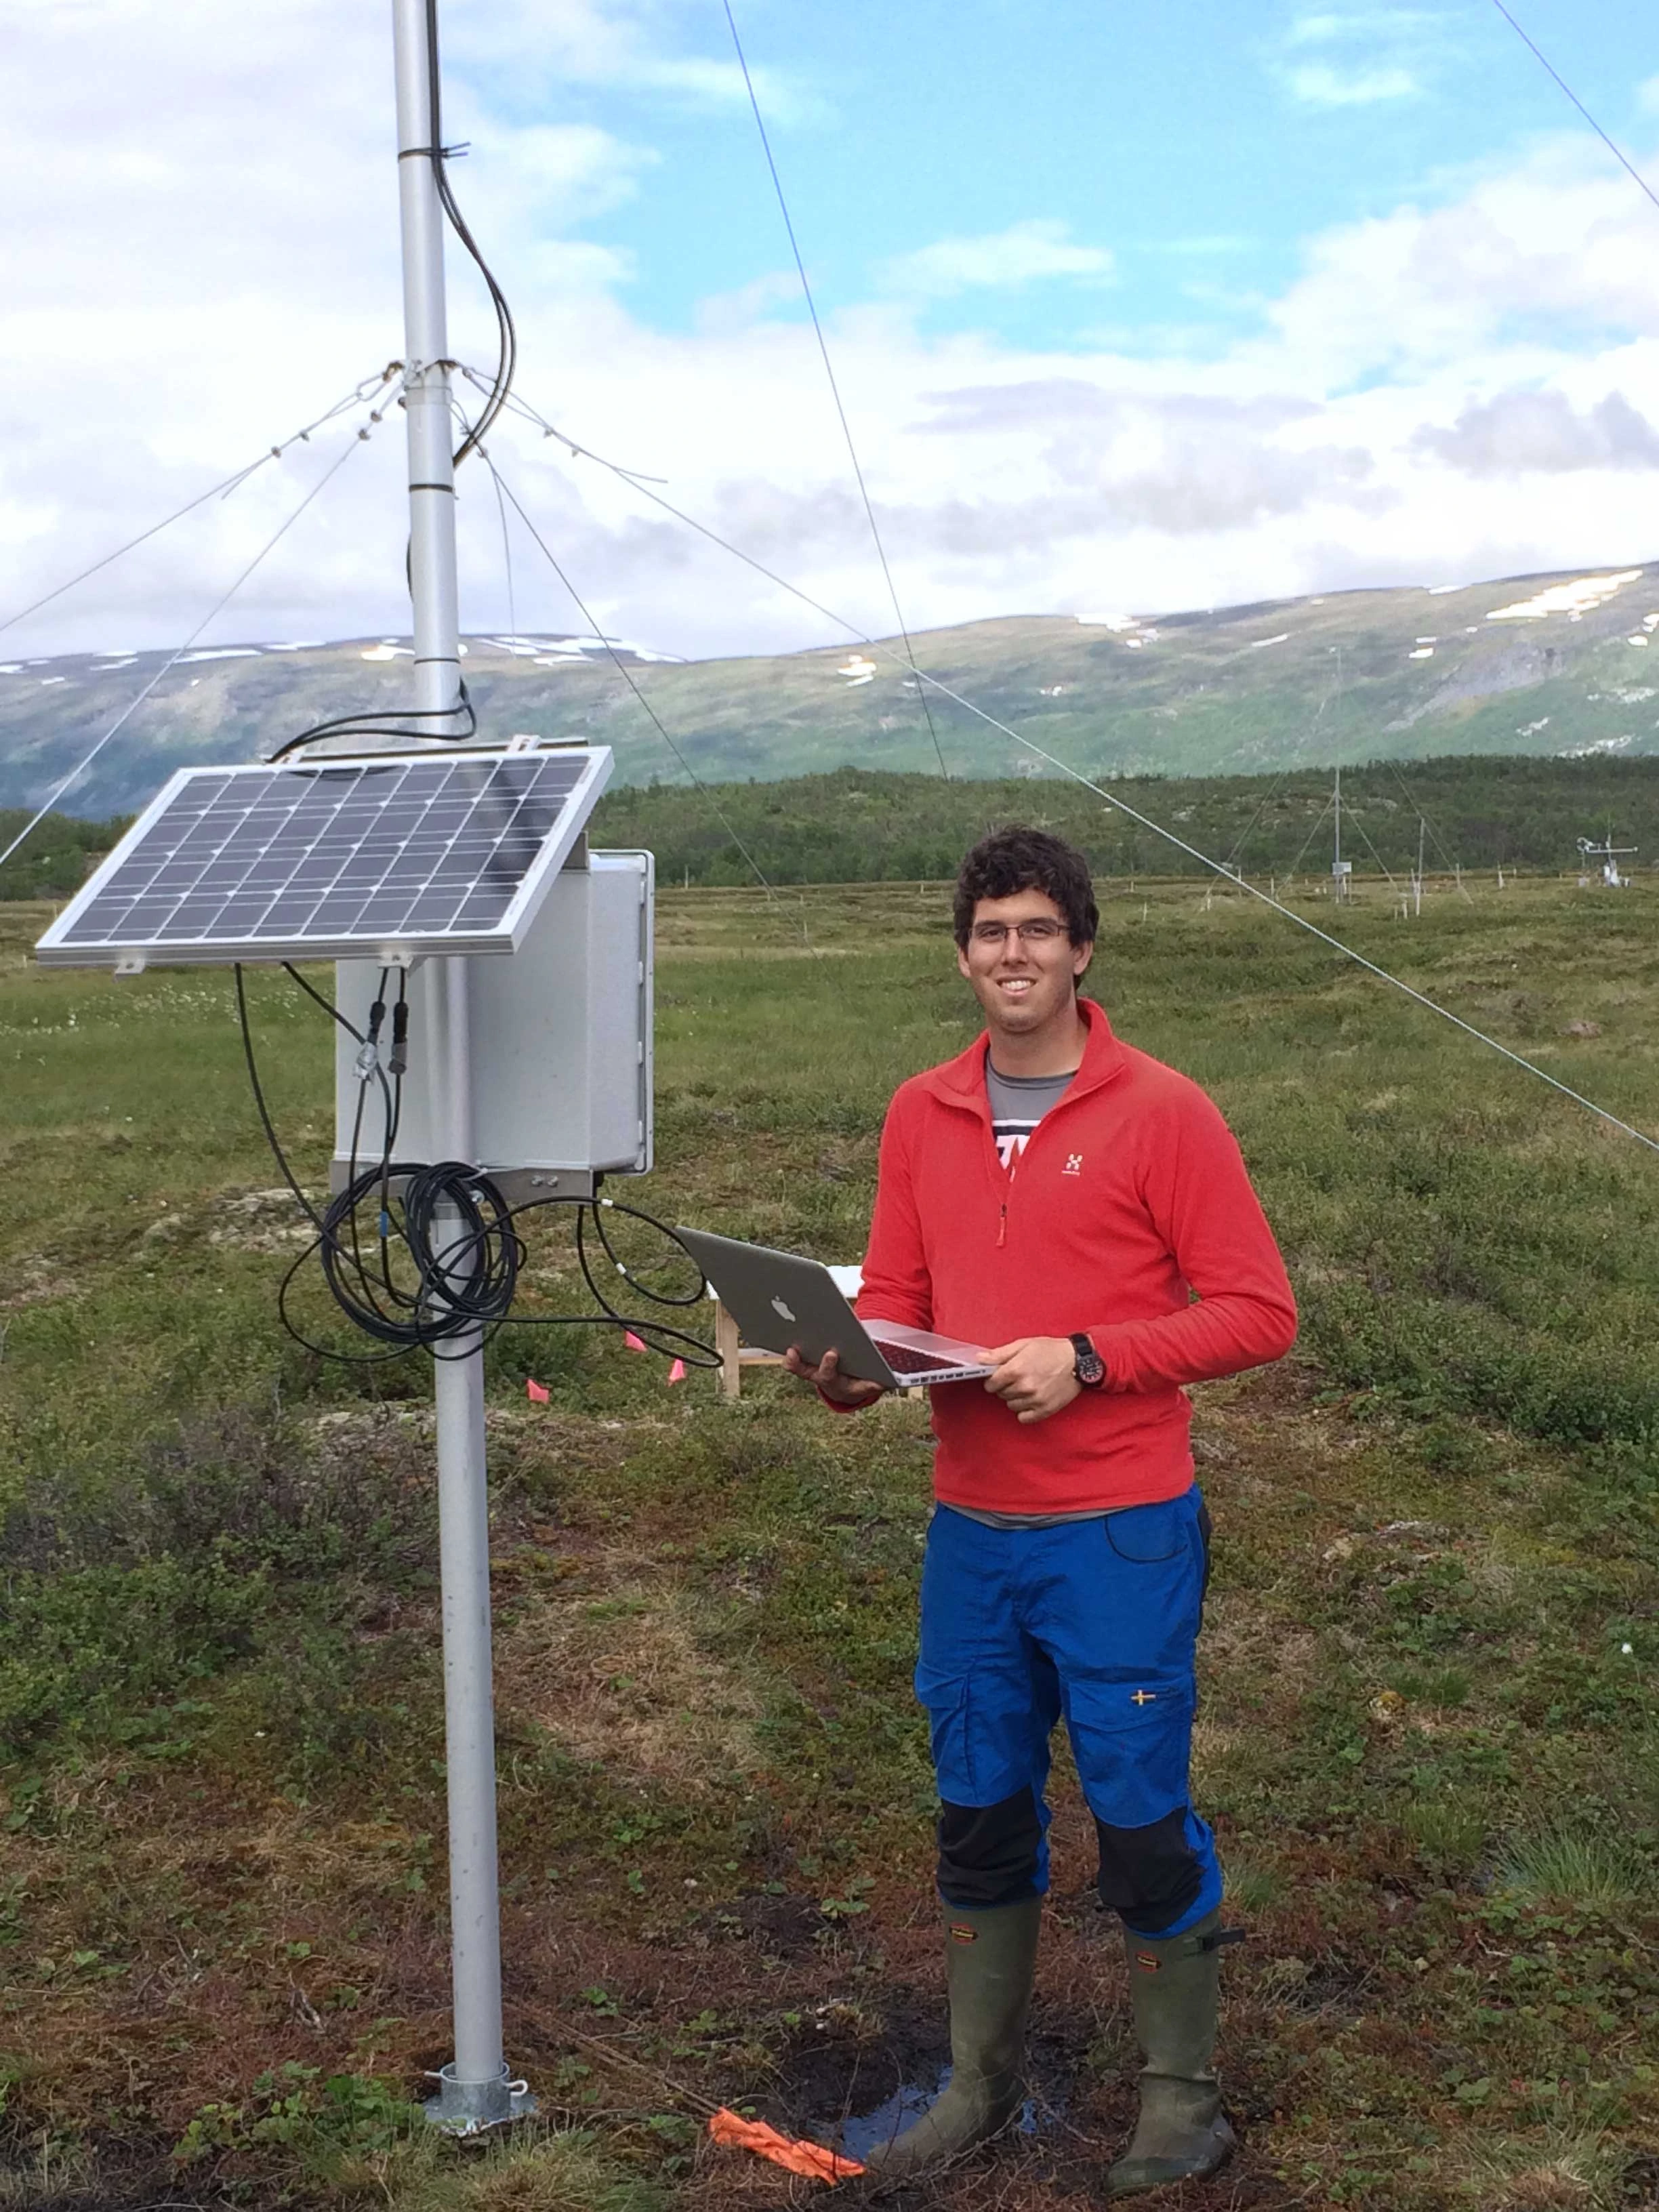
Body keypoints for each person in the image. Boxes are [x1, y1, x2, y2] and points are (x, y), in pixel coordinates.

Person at [786, 827, 1297, 2196]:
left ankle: (1182, 2109)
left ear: (1081, 948)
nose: (1012, 953)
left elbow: (1259, 1311)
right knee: (981, 1814)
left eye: (1036, 930)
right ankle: (975, 2092)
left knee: (1136, 1822)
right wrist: (844, 1371)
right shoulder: (920, 1112)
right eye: (989, 932)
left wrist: (1089, 1356)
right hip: (972, 1535)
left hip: (1119, 1529)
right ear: (963, 954)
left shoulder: (1163, 1110)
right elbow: (896, 1304)